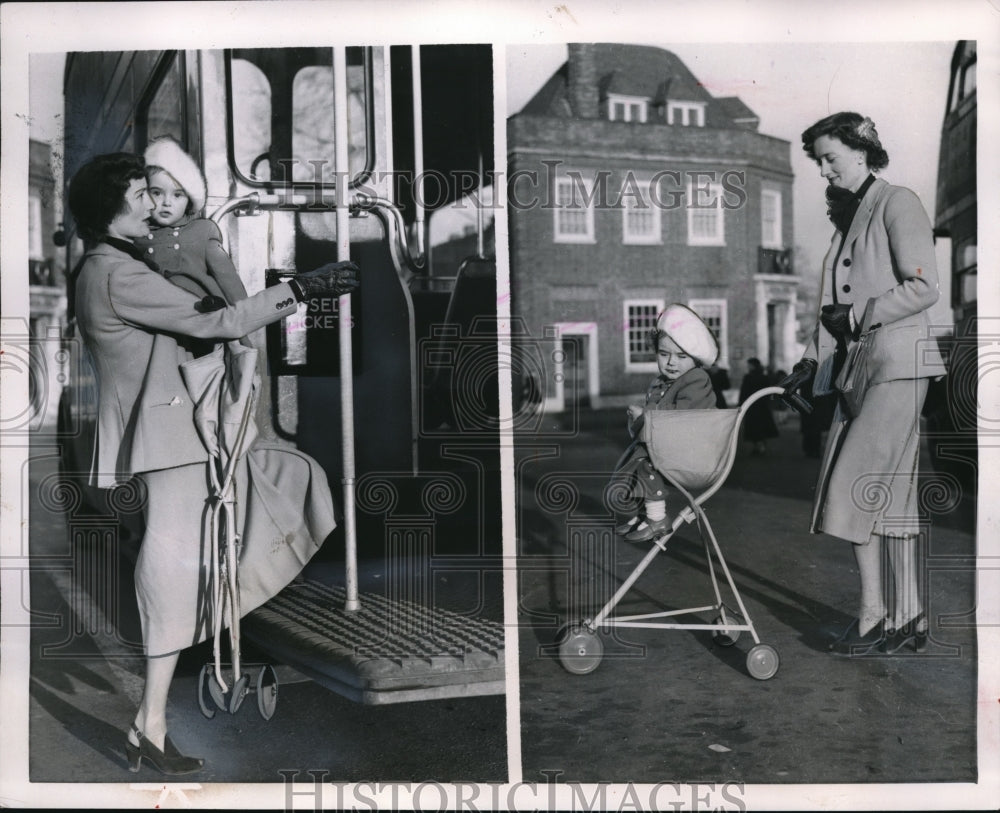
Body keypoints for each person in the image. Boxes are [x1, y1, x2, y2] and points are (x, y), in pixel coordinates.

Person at [68, 152, 360, 774]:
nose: (153, 203)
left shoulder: (111, 266)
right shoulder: (119, 272)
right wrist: (302, 288)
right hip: (169, 438)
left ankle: (210, 637)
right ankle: (150, 720)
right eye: (140, 194)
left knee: (285, 478)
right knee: (174, 564)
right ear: (111, 207)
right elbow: (223, 320)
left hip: (175, 434)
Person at [780, 112, 946, 656]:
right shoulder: (850, 220)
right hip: (862, 371)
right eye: (818, 161)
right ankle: (905, 618)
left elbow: (924, 288)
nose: (824, 170)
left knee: (853, 484)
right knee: (890, 498)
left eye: (830, 158)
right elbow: (832, 313)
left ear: (861, 149)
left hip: (899, 364)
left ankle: (876, 613)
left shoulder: (898, 201)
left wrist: (857, 317)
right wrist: (809, 363)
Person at [614, 304, 718, 543]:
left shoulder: (696, 379)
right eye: (664, 354)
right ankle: (644, 514)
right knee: (634, 459)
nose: (672, 362)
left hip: (694, 452)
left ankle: (657, 518)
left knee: (645, 462)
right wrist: (639, 419)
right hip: (672, 446)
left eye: (682, 356)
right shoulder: (660, 382)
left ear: (696, 358)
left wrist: (645, 416)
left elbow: (682, 417)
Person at [739, 357, 778, 455]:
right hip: (762, 405)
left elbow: (744, 392)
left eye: (749, 365)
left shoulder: (748, 377)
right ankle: (761, 445)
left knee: (754, 427)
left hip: (751, 405)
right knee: (761, 426)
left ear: (752, 365)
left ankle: (758, 446)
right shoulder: (763, 376)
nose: (748, 366)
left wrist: (741, 404)